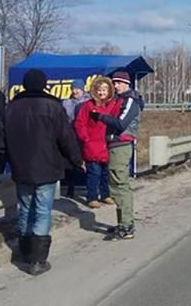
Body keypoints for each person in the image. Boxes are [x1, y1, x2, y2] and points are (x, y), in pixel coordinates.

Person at [1, 69, 84, 276]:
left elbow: (0, 142)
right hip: (47, 166)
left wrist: (8, 158)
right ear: (44, 85)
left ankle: (24, 251)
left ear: (25, 85)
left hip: (21, 167)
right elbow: (66, 138)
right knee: (42, 210)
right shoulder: (54, 107)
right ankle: (38, 260)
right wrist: (77, 160)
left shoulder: (10, 108)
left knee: (26, 208)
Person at [95, 70, 143, 240]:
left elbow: (121, 123)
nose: (115, 86)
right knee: (116, 184)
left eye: (118, 83)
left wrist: (101, 117)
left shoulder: (130, 100)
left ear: (126, 83)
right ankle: (123, 222)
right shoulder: (120, 100)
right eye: (113, 83)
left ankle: (126, 225)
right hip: (116, 144)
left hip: (121, 144)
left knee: (120, 184)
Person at [74, 77, 119, 209]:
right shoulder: (88, 105)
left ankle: (105, 194)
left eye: (104, 90)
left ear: (109, 90)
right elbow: (79, 123)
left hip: (107, 143)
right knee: (94, 173)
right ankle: (92, 197)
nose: (101, 93)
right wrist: (85, 138)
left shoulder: (113, 105)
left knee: (106, 172)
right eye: (99, 90)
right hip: (92, 144)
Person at [61, 79, 90, 198]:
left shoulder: (88, 102)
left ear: (83, 89)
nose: (75, 91)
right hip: (71, 135)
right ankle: (70, 188)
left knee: (87, 162)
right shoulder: (66, 103)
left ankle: (90, 188)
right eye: (73, 88)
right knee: (70, 163)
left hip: (84, 135)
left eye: (77, 88)